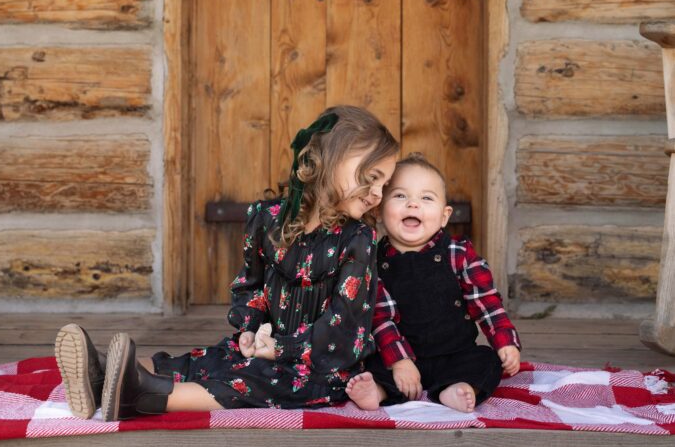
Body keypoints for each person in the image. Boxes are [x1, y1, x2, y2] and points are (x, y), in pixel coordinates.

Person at [55, 105, 398, 421]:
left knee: (256, 382)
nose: (378, 193)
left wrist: (283, 348)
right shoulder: (268, 219)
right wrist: (249, 328)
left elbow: (344, 328)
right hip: (264, 346)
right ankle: (104, 372)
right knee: (212, 359)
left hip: (319, 367)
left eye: (384, 183)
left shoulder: (358, 239)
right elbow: (250, 286)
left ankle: (144, 396)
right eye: (373, 176)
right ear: (332, 158)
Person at [346, 153, 521, 414]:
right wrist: (400, 362)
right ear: (379, 211)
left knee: (486, 360)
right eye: (400, 196)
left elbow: (485, 301)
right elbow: (379, 317)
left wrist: (505, 341)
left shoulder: (458, 253)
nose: (413, 205)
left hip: (454, 353)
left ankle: (459, 388)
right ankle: (378, 391)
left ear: (444, 215)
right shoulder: (372, 261)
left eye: (426, 198)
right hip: (398, 357)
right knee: (368, 361)